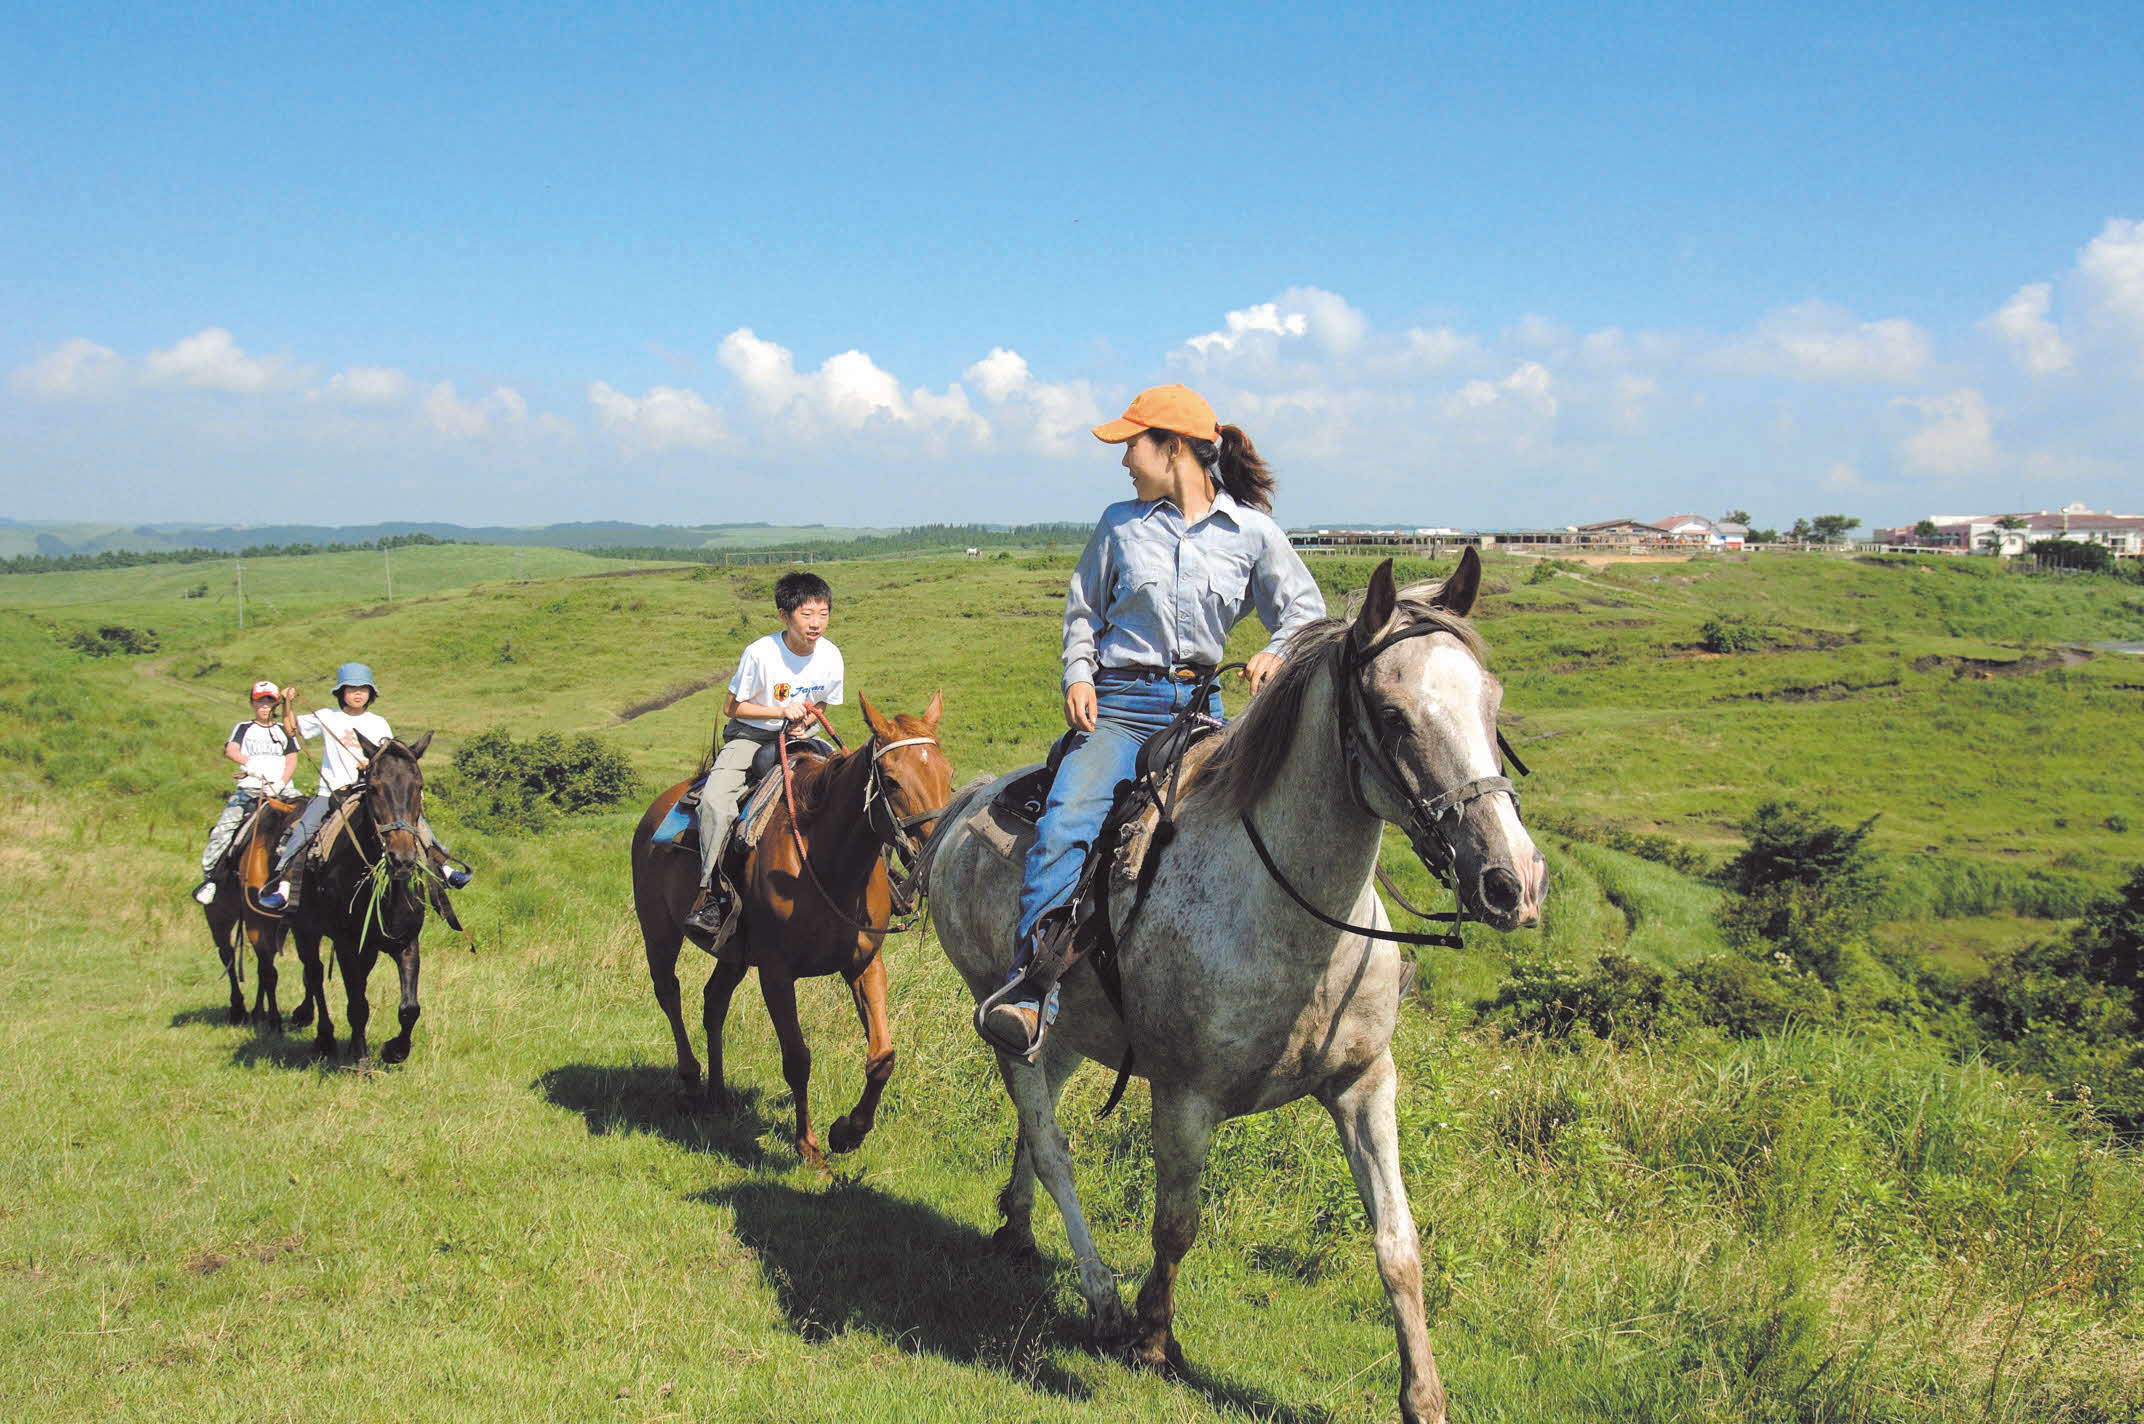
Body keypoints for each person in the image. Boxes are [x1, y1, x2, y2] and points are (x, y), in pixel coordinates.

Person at [978, 384, 1327, 1056]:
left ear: (1173, 449)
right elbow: (1083, 613)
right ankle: (1031, 991)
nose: (1123, 461)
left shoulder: (1251, 533)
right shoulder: (1118, 525)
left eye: (1131, 445)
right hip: (1121, 710)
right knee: (1067, 820)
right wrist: (1079, 675)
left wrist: (1276, 651)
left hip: (1203, 712)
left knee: (1278, 815)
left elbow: (1304, 611)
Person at [683, 571, 845, 935]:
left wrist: (807, 720)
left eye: (823, 613)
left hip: (802, 736)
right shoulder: (760, 653)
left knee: (854, 783)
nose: (816, 623)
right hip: (751, 737)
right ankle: (712, 894)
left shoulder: (832, 656)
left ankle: (885, 878)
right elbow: (732, 706)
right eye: (806, 614)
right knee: (714, 800)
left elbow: (823, 701)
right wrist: (779, 711)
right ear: (784, 616)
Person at [256, 662, 471, 912]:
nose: (358, 694)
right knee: (304, 829)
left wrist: (369, 765)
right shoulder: (326, 716)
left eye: (363, 689)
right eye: (351, 689)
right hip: (333, 792)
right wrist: (287, 703)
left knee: (413, 823)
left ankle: (445, 869)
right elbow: (291, 729)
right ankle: (283, 887)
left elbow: (389, 758)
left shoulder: (378, 722)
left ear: (371, 693)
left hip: (369, 790)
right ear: (341, 692)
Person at [193, 680, 299, 904]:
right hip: (250, 790)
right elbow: (231, 750)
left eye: (269, 701)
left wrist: (281, 782)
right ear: (252, 703)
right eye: (260, 701)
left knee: (301, 827)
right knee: (223, 831)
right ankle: (211, 880)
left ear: (276, 704)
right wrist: (248, 763)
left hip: (282, 791)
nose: (264, 706)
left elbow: (292, 759)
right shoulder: (244, 727)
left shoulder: (283, 730)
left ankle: (291, 883)